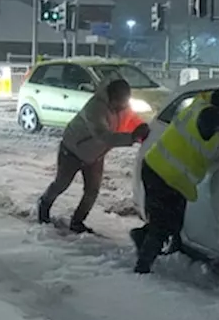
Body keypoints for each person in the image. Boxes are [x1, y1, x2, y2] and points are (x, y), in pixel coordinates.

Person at [131, 79, 219, 274]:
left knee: (172, 222)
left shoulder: (203, 103)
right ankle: (142, 268)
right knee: (163, 225)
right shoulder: (210, 117)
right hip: (164, 174)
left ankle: (141, 237)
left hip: (164, 171)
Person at [38, 78, 150, 233]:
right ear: (112, 96)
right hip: (72, 150)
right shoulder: (95, 108)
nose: (123, 106)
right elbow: (103, 136)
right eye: (120, 102)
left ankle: (77, 222)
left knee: (92, 190)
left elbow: (131, 119)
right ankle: (44, 205)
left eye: (125, 102)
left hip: (95, 155)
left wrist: (142, 128)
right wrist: (132, 137)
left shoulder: (122, 106)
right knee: (61, 184)